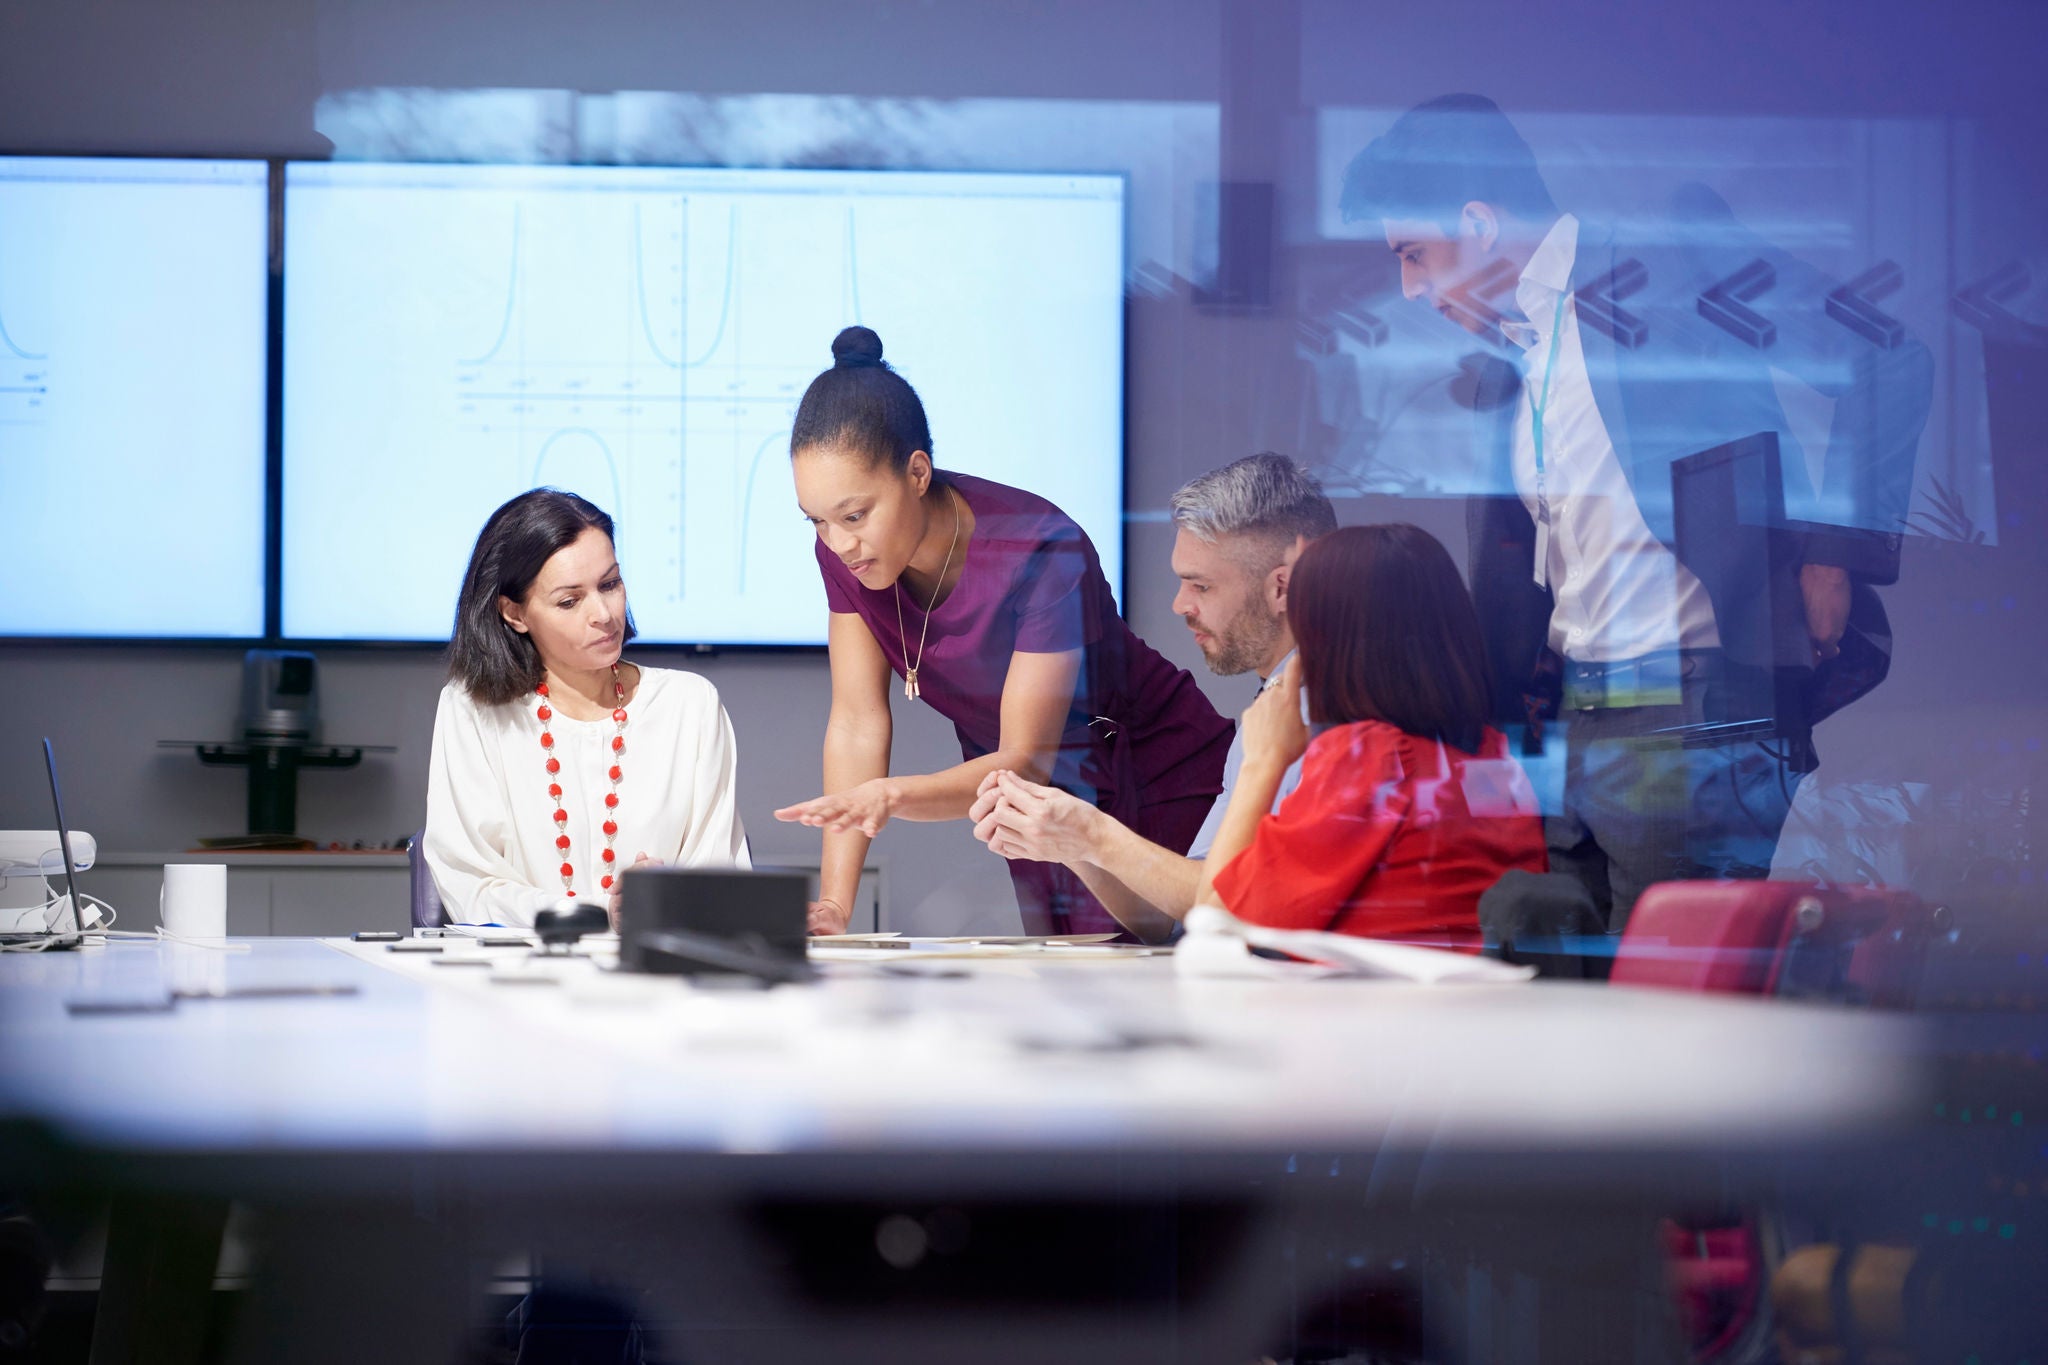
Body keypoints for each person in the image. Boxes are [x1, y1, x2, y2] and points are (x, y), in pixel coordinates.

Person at [1340, 94, 1931, 931]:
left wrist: (1832, 551)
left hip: (1686, 709)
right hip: (1572, 721)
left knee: (1663, 1009)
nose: (1409, 288)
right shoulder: (1513, 359)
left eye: (1414, 254)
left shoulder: (1667, 266)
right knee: (1569, 1006)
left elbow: (1886, 357)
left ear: (1475, 221)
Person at [773, 326, 1233, 937]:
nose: (838, 542)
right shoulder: (843, 550)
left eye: (854, 516)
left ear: (917, 472)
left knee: (1182, 971)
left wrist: (889, 796)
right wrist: (835, 902)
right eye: (817, 521)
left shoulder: (1038, 547)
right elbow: (858, 721)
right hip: (1026, 803)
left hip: (1149, 767)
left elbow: (1025, 758)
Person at [967, 452, 1336, 941]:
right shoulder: (1271, 711)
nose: (1180, 604)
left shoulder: (1328, 716)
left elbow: (1223, 908)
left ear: (1281, 587)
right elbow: (1177, 917)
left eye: (1200, 585)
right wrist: (1072, 843)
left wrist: (1093, 834)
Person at [1194, 524, 1546, 945]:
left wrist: (1262, 761)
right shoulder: (1493, 758)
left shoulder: (1369, 760)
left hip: (1373, 1007)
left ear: (1331, 647)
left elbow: (1215, 923)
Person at [425, 489, 748, 927]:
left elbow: (719, 877)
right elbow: (472, 886)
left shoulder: (689, 706)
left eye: (610, 584)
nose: (603, 613)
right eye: (569, 601)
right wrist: (598, 913)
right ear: (514, 613)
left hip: (658, 979)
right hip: (518, 981)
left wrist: (668, 898)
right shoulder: (472, 710)